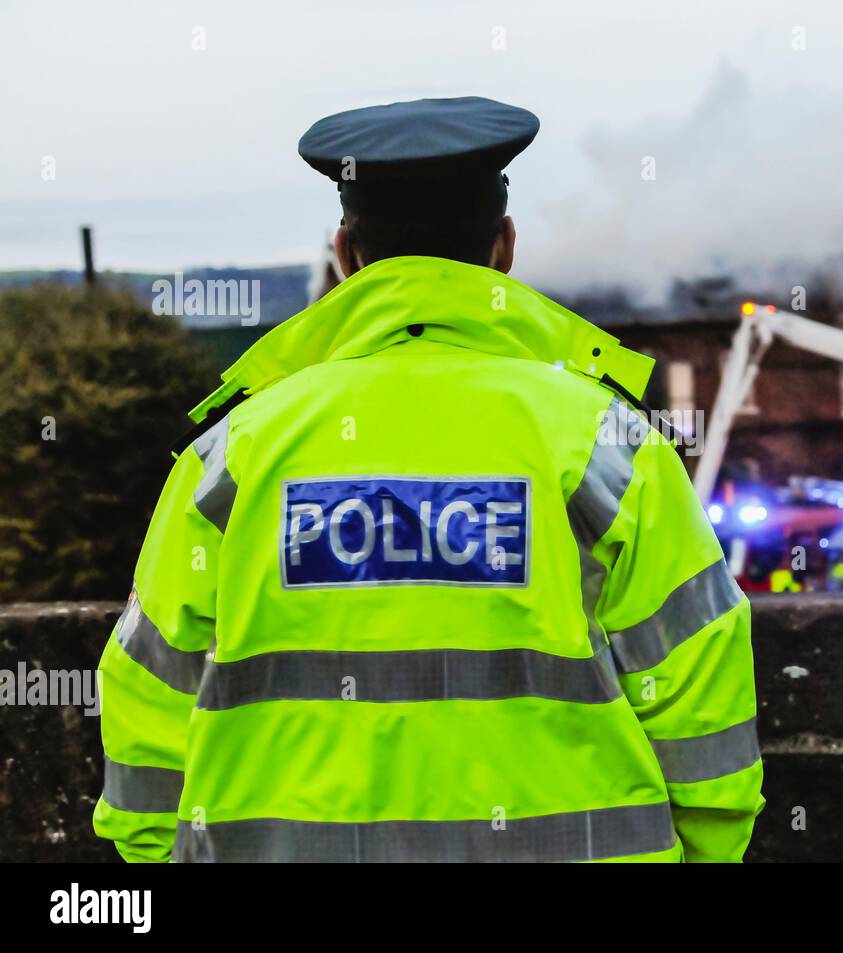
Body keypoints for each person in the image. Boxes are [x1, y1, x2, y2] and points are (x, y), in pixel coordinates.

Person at [93, 97, 764, 862]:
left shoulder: (233, 455)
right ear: (504, 246)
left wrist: (158, 855)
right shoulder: (608, 444)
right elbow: (700, 686)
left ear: (345, 253)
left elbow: (147, 689)